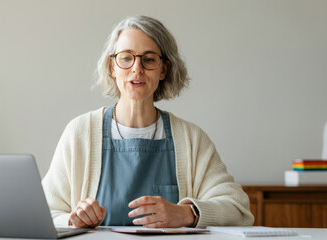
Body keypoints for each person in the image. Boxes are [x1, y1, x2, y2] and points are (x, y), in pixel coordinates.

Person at [42, 16, 254, 228]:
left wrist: (187, 214)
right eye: (126, 58)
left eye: (149, 59)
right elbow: (44, 212)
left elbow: (238, 209)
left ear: (163, 69)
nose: (137, 68)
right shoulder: (79, 133)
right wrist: (72, 220)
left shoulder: (192, 139)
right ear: (112, 67)